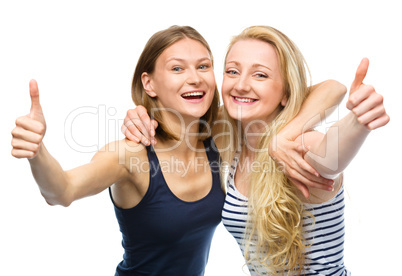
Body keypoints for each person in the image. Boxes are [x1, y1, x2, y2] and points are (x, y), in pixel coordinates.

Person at [122, 26, 389, 275]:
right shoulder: (229, 139)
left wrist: (358, 122)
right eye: (232, 71)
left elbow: (331, 155)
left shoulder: (300, 146)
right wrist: (142, 113)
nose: (241, 85)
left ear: (286, 92)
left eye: (260, 74)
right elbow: (179, 115)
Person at [11, 25, 226, 276]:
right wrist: (38, 152)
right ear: (149, 84)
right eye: (177, 68)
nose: (195, 78)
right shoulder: (130, 155)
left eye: (203, 66)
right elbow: (62, 191)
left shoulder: (221, 135)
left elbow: (272, 107)